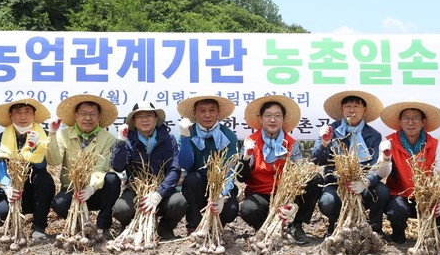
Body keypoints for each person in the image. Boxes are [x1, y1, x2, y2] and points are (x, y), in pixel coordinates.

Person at [237, 95, 314, 243]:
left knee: (315, 180)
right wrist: (246, 157)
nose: (273, 120)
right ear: (260, 119)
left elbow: (299, 174)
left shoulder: (290, 144)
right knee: (248, 210)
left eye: (278, 116)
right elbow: (241, 177)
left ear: (283, 120)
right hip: (260, 193)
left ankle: (295, 225)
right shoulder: (251, 141)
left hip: (285, 194)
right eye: (268, 116)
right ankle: (268, 228)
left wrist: (292, 202)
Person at [312, 90, 388, 236]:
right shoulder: (330, 130)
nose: (352, 110)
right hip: (336, 184)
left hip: (363, 184)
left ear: (364, 110)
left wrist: (365, 182)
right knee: (327, 202)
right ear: (342, 109)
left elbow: (375, 166)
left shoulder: (374, 135)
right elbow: (317, 160)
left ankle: (374, 228)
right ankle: (335, 225)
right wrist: (324, 143)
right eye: (348, 106)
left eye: (356, 106)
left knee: (382, 191)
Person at [376, 99, 440, 243]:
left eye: (415, 118)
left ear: (423, 122)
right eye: (406, 118)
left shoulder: (435, 145)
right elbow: (382, 174)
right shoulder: (389, 143)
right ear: (400, 122)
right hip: (400, 194)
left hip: (427, 195)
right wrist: (385, 158)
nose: (410, 123)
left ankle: (435, 236)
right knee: (396, 211)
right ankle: (398, 233)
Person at [112, 101, 187, 240]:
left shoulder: (169, 139)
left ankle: (165, 228)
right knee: (121, 210)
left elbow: (174, 169)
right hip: (136, 190)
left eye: (149, 115)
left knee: (179, 203)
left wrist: (159, 193)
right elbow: (118, 166)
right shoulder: (127, 140)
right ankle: (131, 227)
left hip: (162, 190)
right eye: (140, 116)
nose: (145, 119)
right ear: (134, 121)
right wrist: (121, 142)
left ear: (156, 118)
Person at [46, 94, 120, 234]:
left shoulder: (108, 138)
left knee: (112, 179)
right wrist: (52, 134)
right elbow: (53, 160)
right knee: (59, 204)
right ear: (75, 115)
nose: (88, 118)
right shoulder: (63, 134)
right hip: (72, 190)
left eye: (92, 114)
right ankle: (80, 223)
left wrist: (91, 188)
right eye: (83, 113)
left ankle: (103, 225)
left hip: (96, 190)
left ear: (99, 117)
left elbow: (101, 167)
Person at [0, 98, 55, 238]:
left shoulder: (41, 137)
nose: (23, 116)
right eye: (18, 112)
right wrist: (8, 188)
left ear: (34, 115)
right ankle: (13, 226)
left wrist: (34, 147)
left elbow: (41, 166)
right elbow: (1, 172)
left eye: (27, 112)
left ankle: (39, 227)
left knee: (45, 179)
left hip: (34, 192)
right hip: (13, 189)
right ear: (10, 115)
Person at [177, 91, 239, 236]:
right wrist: (185, 138)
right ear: (195, 113)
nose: (207, 115)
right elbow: (185, 164)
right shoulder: (188, 132)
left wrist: (222, 195)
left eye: (212, 110)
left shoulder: (229, 136)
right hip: (197, 184)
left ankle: (217, 225)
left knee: (230, 211)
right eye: (202, 111)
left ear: (218, 113)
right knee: (192, 179)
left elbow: (230, 170)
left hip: (220, 184)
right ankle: (195, 225)